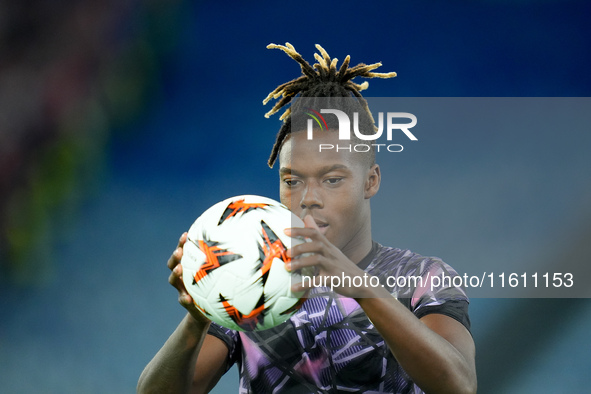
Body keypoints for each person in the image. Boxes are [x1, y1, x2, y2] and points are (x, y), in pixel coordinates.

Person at [137, 43, 477, 394]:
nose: (308, 198)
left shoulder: (422, 277)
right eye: (292, 181)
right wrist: (198, 317)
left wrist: (360, 286)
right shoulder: (250, 286)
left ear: (370, 181)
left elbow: (459, 385)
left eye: (332, 179)